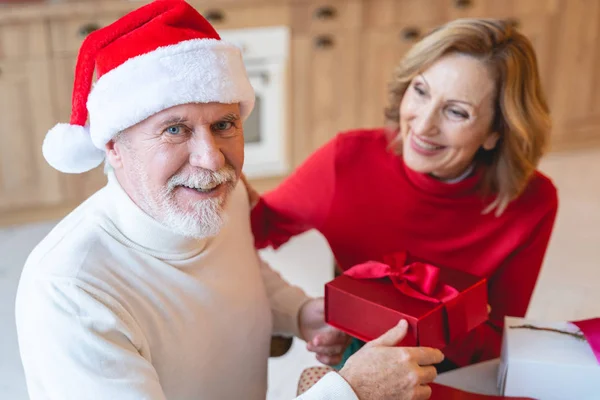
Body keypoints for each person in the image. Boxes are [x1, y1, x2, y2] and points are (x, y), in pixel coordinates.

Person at [15, 1, 444, 399]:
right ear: (113, 146)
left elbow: (241, 268)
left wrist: (298, 312)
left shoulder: (221, 194)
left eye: (224, 124)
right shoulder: (71, 291)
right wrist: (349, 392)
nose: (211, 159)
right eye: (174, 130)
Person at [248, 18, 559, 370]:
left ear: (495, 132)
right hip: (363, 356)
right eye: (421, 91)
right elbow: (251, 229)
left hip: (459, 367)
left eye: (456, 111)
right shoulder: (347, 160)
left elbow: (497, 344)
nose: (423, 125)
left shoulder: (533, 203)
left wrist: (432, 324)